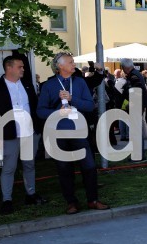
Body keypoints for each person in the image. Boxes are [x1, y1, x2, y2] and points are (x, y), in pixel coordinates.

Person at [37, 52, 110, 215]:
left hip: (79, 131)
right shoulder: (48, 86)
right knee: (64, 169)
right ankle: (71, 202)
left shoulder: (79, 82)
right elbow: (40, 111)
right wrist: (57, 113)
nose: (73, 64)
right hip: (58, 133)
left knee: (89, 167)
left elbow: (90, 106)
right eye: (70, 62)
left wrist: (72, 98)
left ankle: (93, 200)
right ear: (59, 66)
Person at [0, 54, 46, 214]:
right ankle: (7, 200)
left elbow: (33, 107)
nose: (23, 69)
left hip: (29, 133)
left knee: (29, 164)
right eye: (20, 66)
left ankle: (31, 194)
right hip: (8, 134)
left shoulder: (27, 85)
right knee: (9, 168)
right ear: (9, 68)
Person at [119, 58, 147, 163]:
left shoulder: (133, 76)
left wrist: (130, 102)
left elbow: (137, 90)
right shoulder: (136, 73)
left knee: (135, 131)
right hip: (138, 105)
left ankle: (138, 156)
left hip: (136, 106)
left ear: (124, 67)